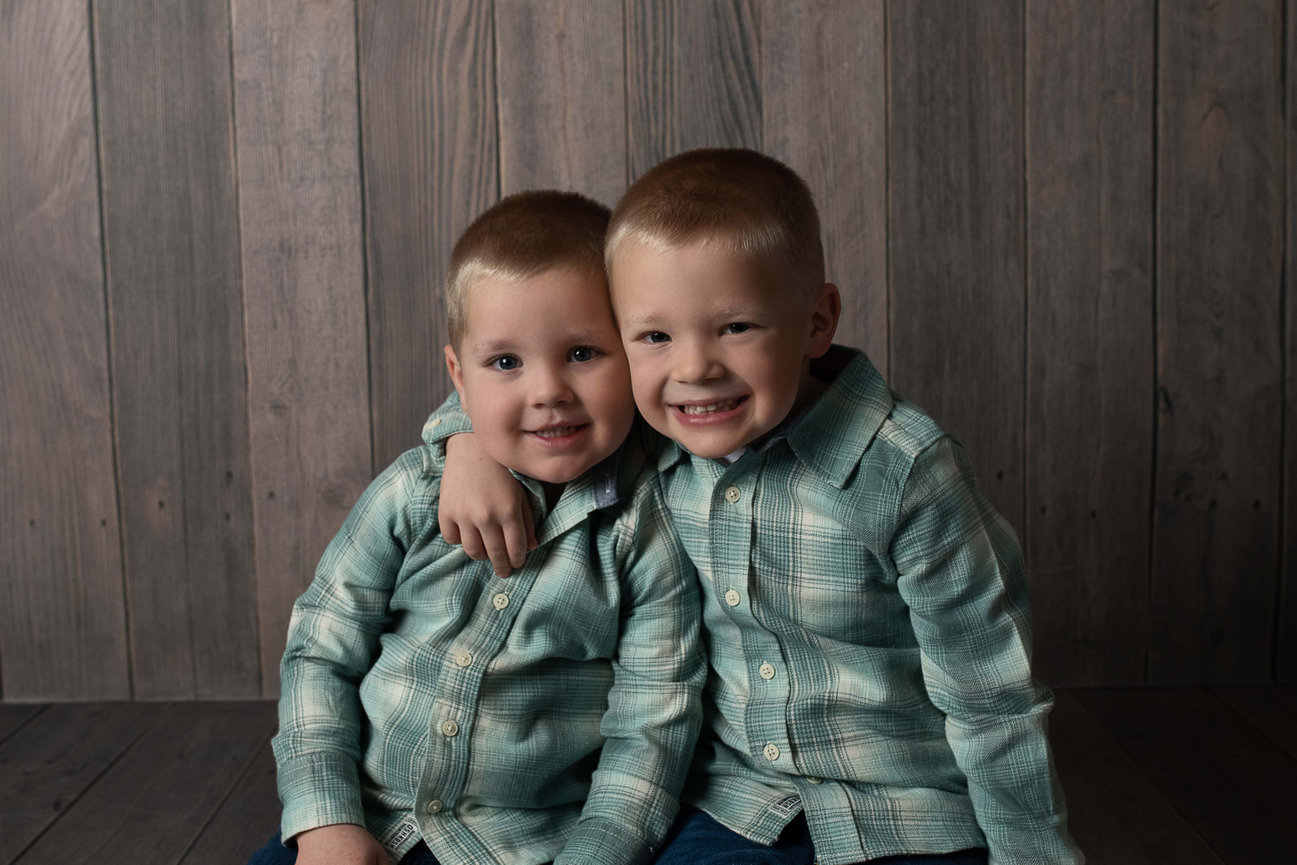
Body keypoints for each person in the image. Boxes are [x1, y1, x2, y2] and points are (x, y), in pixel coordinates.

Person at [436, 150, 1084, 864]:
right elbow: (534, 394)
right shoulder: (659, 435)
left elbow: (990, 693)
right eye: (655, 336)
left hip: (906, 810)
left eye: (736, 327)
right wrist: (463, 441)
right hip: (734, 804)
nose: (694, 369)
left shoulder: (905, 473)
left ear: (816, 321)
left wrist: (1032, 854)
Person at [248, 190, 705, 865]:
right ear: (458, 378)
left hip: (526, 842)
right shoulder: (412, 492)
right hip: (366, 816)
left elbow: (651, 726)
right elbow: (321, 650)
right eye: (506, 363)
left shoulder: (649, 531)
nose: (547, 391)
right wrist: (325, 820)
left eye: (583, 352)